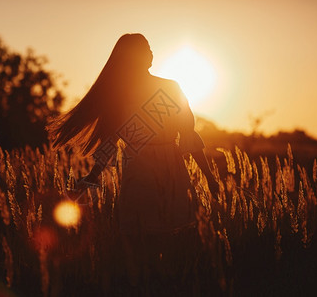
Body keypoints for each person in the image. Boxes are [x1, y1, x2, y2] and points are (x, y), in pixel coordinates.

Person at [47, 33, 219, 289]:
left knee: (164, 240)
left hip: (151, 168)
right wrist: (91, 178)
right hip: (150, 170)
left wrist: (209, 175)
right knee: (153, 240)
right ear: (135, 57)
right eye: (146, 48)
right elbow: (110, 142)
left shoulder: (159, 88)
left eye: (150, 48)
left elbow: (187, 134)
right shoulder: (147, 91)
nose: (151, 53)